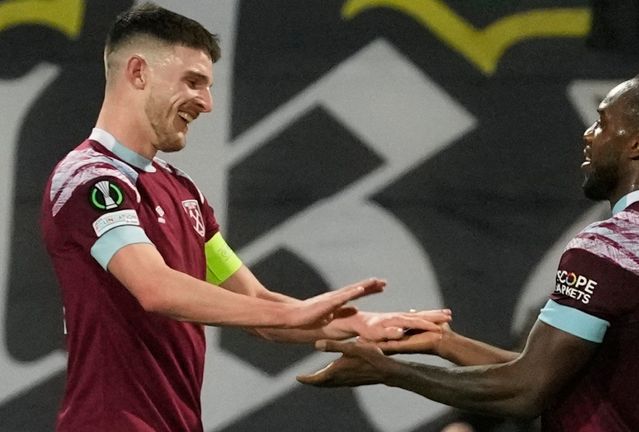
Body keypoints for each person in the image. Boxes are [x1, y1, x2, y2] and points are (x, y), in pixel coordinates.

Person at [40, 3, 451, 431]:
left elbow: (256, 305)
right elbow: (155, 288)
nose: (206, 102)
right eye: (193, 81)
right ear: (139, 72)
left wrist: (362, 325)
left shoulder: (184, 192)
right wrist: (296, 314)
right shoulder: (90, 179)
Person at [298, 72, 639, 431]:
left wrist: (390, 372)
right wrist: (445, 344)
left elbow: (526, 391)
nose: (589, 134)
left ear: (638, 144)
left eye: (602, 122)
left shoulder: (616, 242)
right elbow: (552, 373)